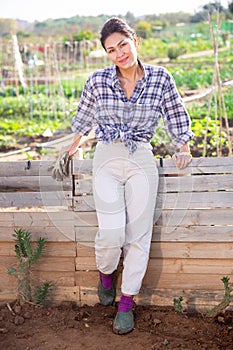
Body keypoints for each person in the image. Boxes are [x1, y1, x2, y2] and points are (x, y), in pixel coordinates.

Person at [50, 17, 194, 334]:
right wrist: (70, 148)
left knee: (138, 237)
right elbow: (84, 119)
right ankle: (105, 274)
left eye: (123, 45)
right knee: (112, 233)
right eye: (111, 50)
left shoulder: (160, 78)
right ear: (107, 54)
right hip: (107, 157)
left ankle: (125, 304)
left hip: (141, 156)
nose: (119, 54)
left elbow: (175, 113)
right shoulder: (98, 81)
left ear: (134, 41)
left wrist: (183, 147)